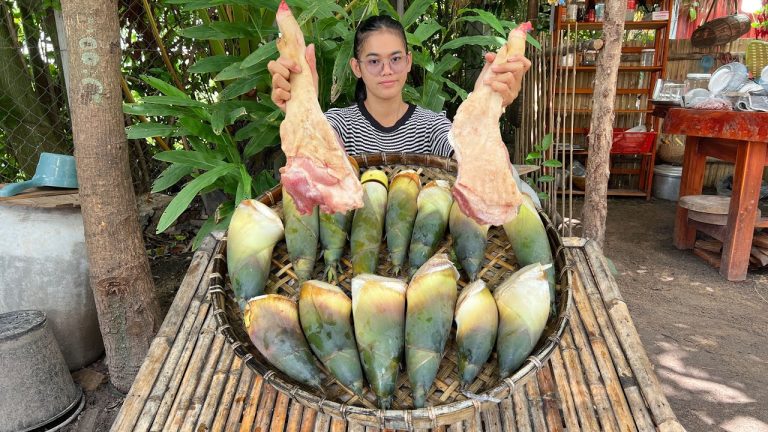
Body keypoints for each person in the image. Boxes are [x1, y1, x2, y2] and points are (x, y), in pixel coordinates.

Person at [267, 14, 531, 158]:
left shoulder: (432, 127)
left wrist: (488, 105)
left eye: (395, 59)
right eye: (374, 61)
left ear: (408, 62)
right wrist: (302, 110)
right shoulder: (339, 125)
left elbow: (468, 158)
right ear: (357, 68)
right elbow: (312, 160)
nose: (386, 70)